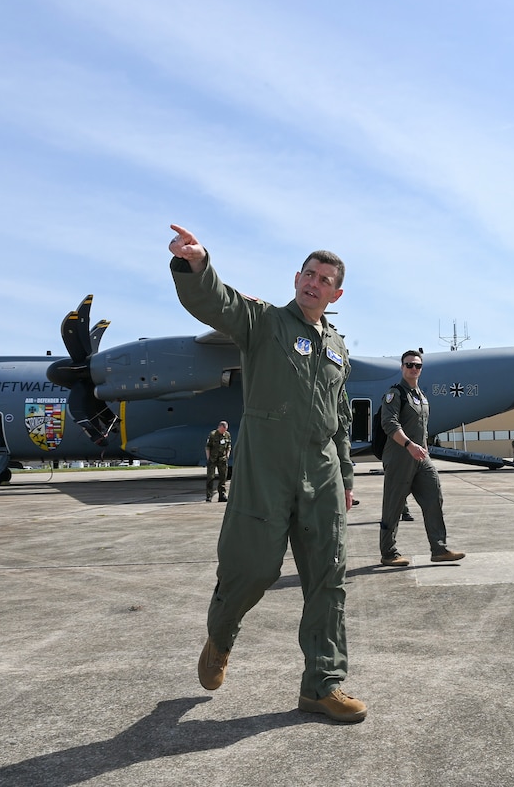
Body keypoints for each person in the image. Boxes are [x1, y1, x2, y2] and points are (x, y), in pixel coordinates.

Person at [167, 224, 366, 723]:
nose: (314, 284)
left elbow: (340, 416)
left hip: (322, 472)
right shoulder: (264, 323)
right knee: (253, 567)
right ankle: (221, 634)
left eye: (325, 280)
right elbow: (219, 303)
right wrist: (196, 264)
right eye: (309, 274)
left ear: (336, 293)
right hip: (266, 466)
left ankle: (323, 685)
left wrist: (345, 474)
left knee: (328, 576)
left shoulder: (338, 348)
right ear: (296, 277)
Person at [378, 350, 465, 567]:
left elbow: (423, 427)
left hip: (420, 457)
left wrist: (423, 447)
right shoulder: (395, 393)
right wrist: (409, 445)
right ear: (402, 367)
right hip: (400, 456)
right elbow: (390, 424)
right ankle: (388, 553)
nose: (413, 369)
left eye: (417, 365)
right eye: (409, 365)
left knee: (434, 495)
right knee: (393, 506)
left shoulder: (421, 396)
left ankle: (439, 549)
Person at [204, 421, 231, 502]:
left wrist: (227, 456)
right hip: (213, 459)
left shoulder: (227, 435)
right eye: (223, 429)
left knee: (223, 477)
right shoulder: (212, 435)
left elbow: (229, 446)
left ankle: (222, 495)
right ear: (219, 427)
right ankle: (209, 495)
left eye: (225, 430)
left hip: (222, 459)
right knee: (210, 477)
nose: (224, 432)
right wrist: (208, 458)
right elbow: (207, 447)